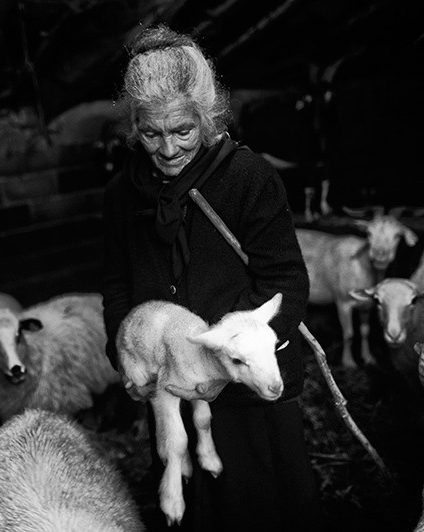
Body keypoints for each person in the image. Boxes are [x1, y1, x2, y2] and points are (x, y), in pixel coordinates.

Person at [101, 25, 324, 531]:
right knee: (191, 501)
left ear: (207, 116)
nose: (169, 148)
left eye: (183, 130)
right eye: (152, 133)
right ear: (135, 126)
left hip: (244, 382)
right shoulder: (122, 194)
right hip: (170, 379)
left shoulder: (247, 178)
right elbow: (116, 282)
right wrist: (122, 352)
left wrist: (242, 349)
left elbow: (286, 278)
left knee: (259, 502)